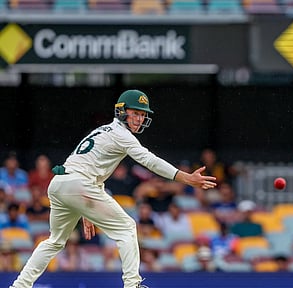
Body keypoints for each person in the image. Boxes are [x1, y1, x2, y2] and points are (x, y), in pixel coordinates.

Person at [9, 89, 217, 288]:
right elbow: (149, 160)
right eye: (135, 113)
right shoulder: (121, 134)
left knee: (54, 241)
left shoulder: (101, 131)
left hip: (60, 184)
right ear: (122, 111)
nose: (139, 119)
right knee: (127, 227)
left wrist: (85, 211)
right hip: (79, 185)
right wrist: (185, 178)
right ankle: (132, 284)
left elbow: (87, 168)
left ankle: (19, 286)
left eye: (143, 115)